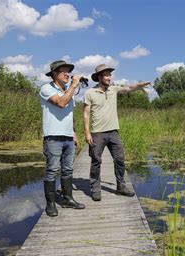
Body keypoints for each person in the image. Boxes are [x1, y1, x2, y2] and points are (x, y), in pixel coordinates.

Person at [83, 64, 150, 201]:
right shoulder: (90, 93)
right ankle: (95, 188)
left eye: (109, 75)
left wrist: (140, 85)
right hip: (97, 133)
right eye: (106, 75)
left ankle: (121, 187)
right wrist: (87, 133)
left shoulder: (113, 89)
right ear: (99, 77)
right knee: (96, 161)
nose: (109, 77)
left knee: (120, 160)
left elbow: (129, 88)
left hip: (113, 132)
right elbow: (86, 114)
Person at [40, 60, 85, 217]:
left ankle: (67, 199)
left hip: (68, 137)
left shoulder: (68, 91)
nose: (67, 74)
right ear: (54, 74)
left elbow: (69, 114)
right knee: (52, 170)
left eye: (68, 71)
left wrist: (74, 133)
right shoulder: (46, 88)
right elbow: (60, 103)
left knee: (68, 169)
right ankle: (50, 204)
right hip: (53, 137)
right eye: (63, 71)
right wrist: (73, 85)